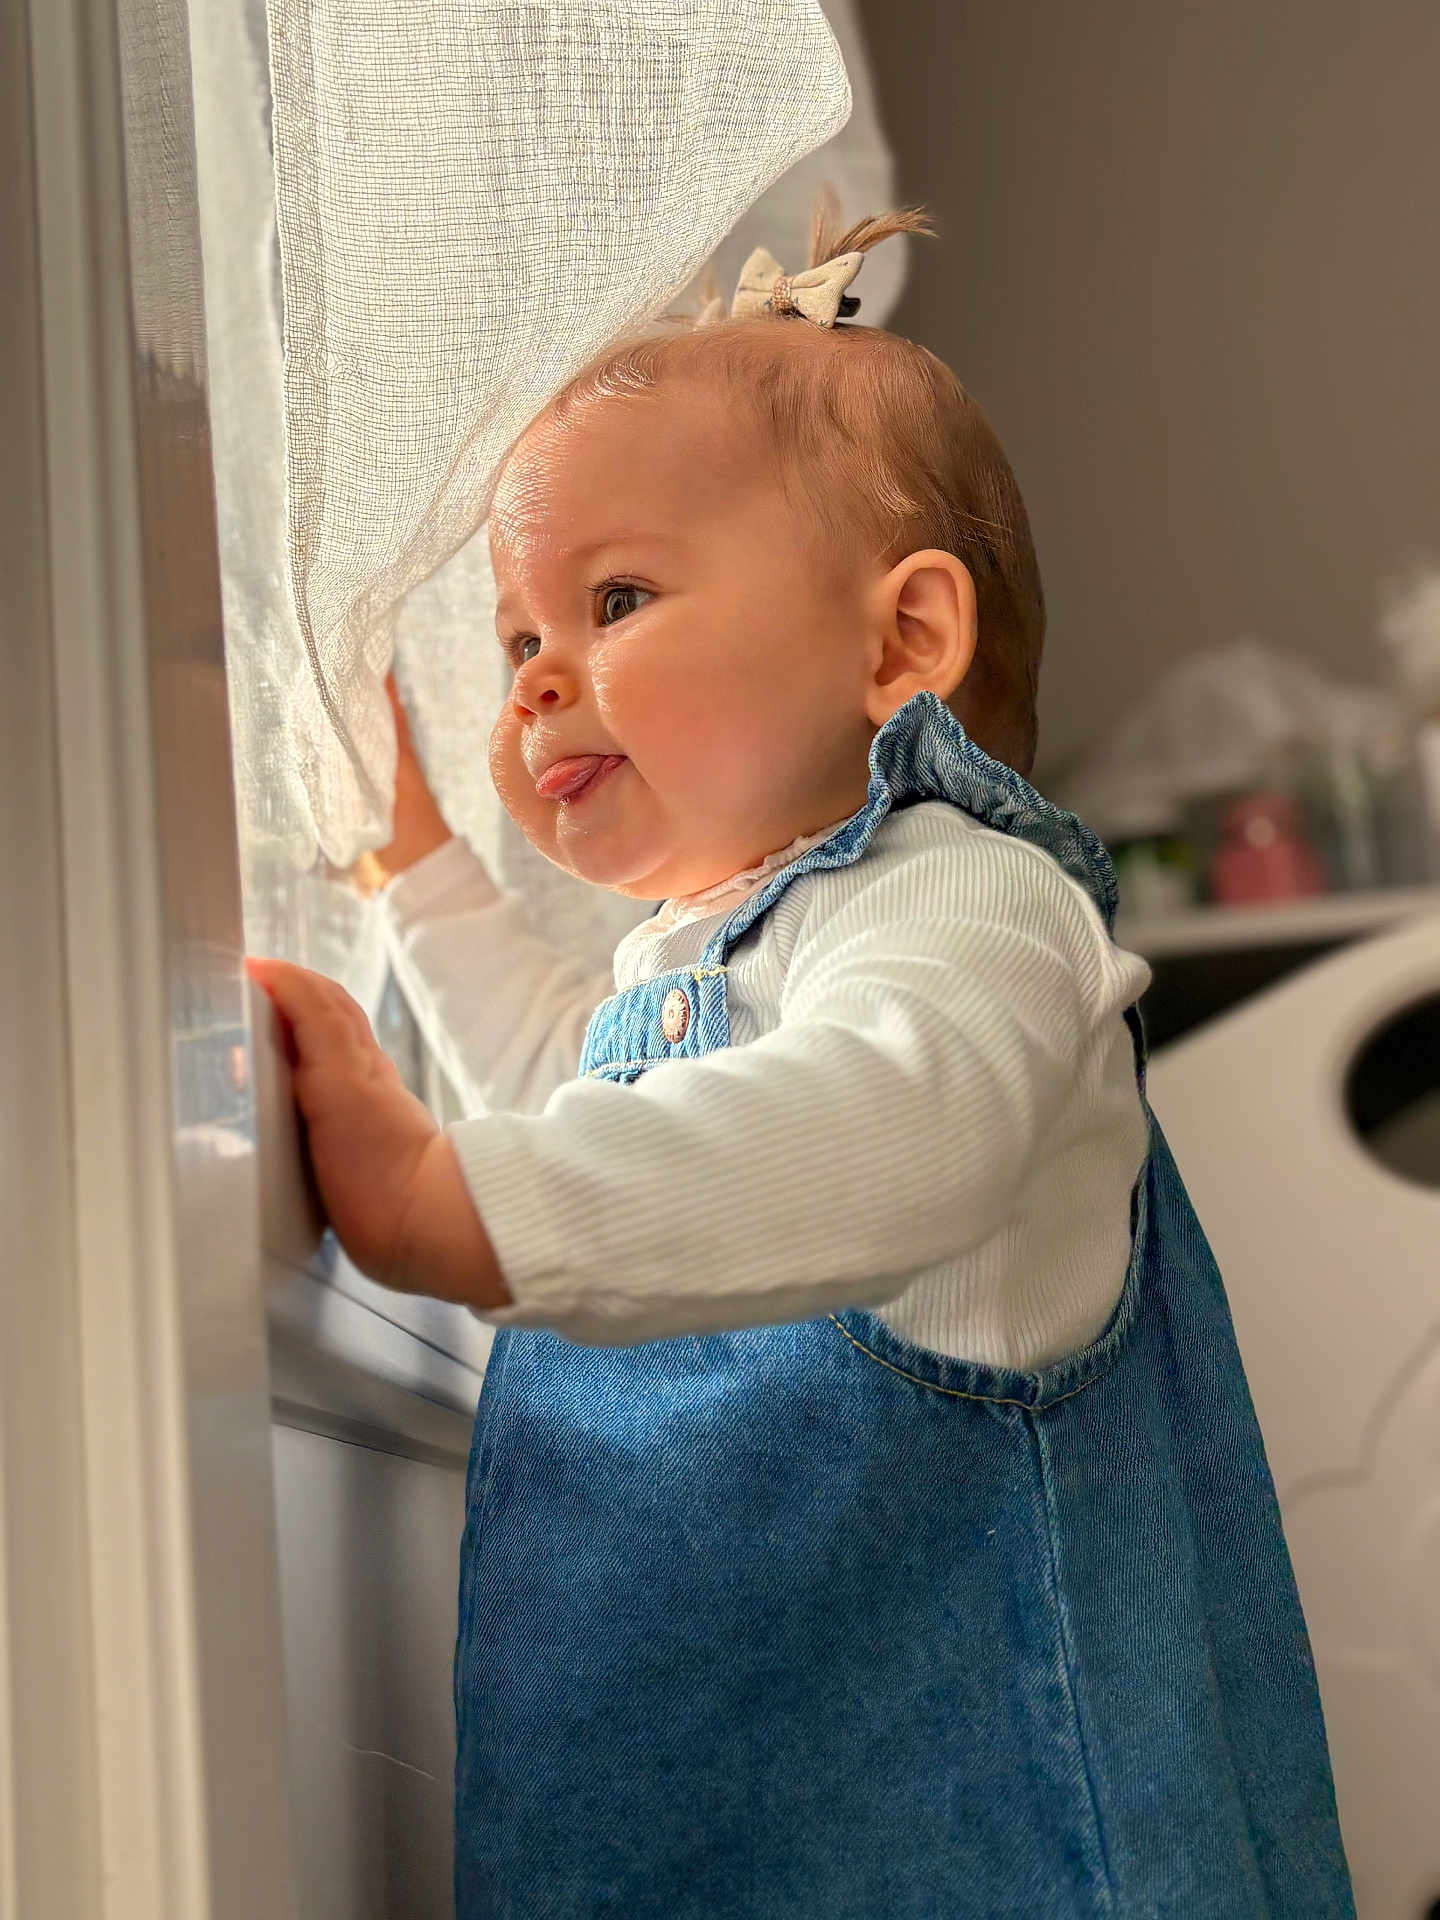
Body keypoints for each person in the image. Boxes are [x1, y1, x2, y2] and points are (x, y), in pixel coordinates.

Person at [249, 210, 1355, 1918]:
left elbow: (888, 1129)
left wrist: (445, 1196)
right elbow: (587, 1090)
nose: (538, 679)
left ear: (903, 642)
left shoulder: (970, 904)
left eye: (611, 600)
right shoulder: (703, 965)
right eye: (516, 637)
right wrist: (413, 873)